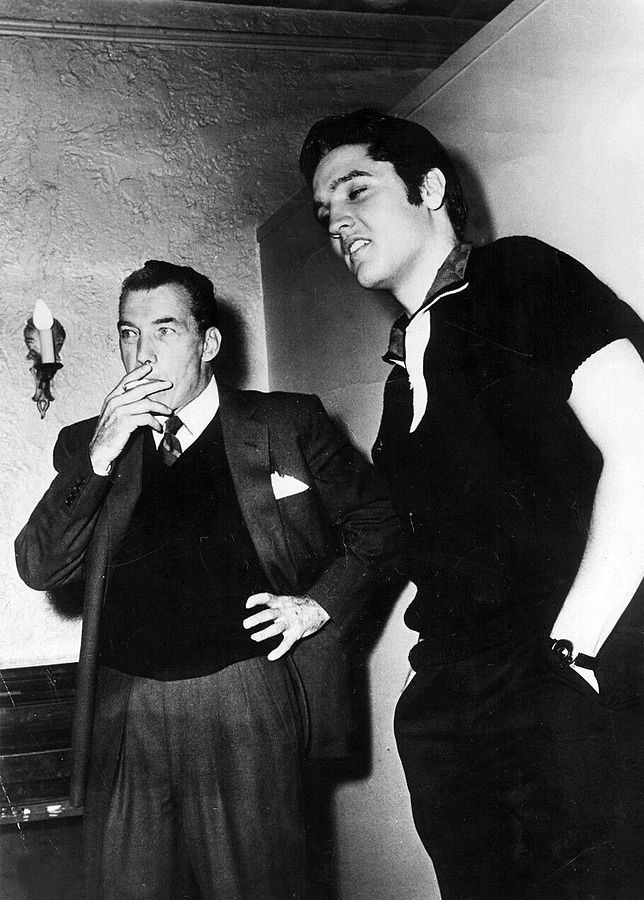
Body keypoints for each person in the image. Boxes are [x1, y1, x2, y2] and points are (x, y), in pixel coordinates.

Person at [300, 108, 644, 899]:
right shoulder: (401, 372)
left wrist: (570, 655)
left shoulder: (520, 275)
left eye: (356, 191)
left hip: (563, 673)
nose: (336, 222)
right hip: (449, 699)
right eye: (323, 211)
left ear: (430, 188)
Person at [15, 259, 401, 900]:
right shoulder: (90, 444)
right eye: (129, 333)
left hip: (245, 699)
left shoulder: (287, 423)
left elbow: (382, 526)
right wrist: (101, 455)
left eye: (164, 330)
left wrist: (316, 606)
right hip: (125, 706)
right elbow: (39, 566)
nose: (142, 353)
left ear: (210, 342)